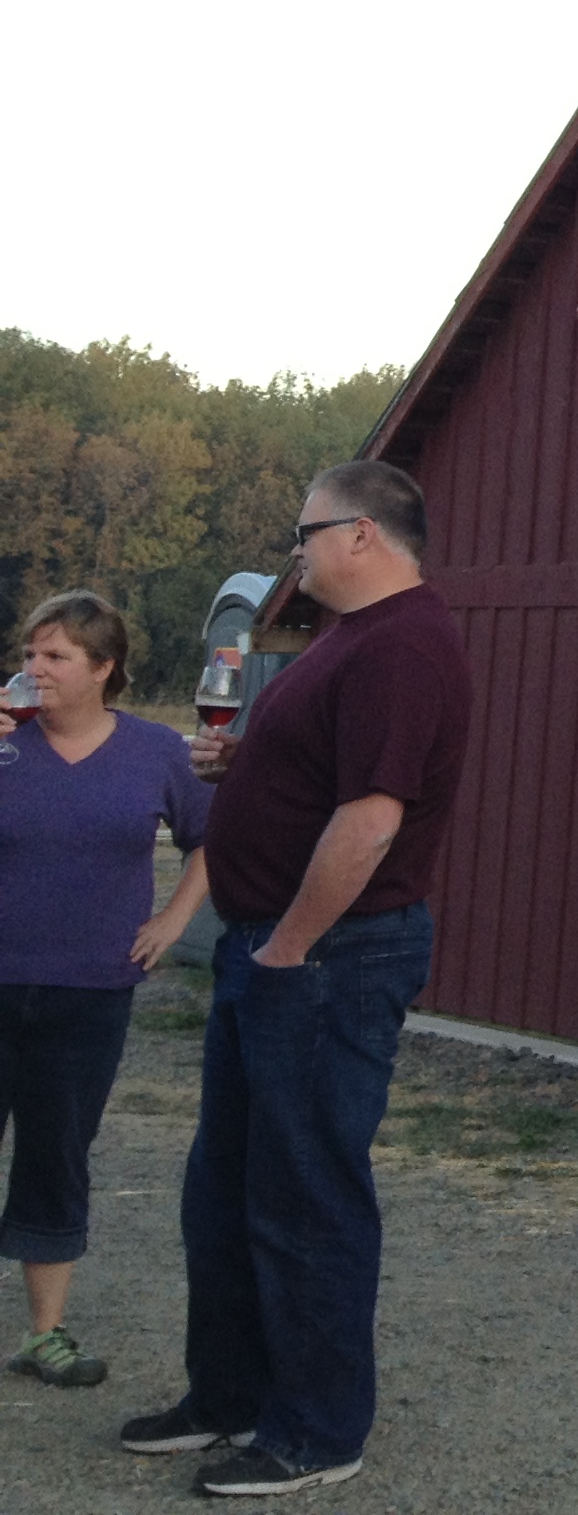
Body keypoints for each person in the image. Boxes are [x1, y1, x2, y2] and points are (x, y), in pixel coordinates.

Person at [119, 460, 472, 1499]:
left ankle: (318, 1431)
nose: (296, 551)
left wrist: (288, 947)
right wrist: (246, 770)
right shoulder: (347, 641)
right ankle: (229, 1396)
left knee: (308, 1195)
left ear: (363, 534)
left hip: (329, 957)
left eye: (306, 532)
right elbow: (324, 774)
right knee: (224, 1187)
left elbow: (372, 820)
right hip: (271, 948)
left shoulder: (404, 645)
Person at [0, 591, 213, 1393]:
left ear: (103, 669)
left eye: (54, 657)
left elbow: (211, 839)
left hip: (89, 990)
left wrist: (172, 922)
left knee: (57, 1156)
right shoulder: (5, 743)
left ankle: (44, 1336)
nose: (33, 670)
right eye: (28, 653)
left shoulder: (154, 750)